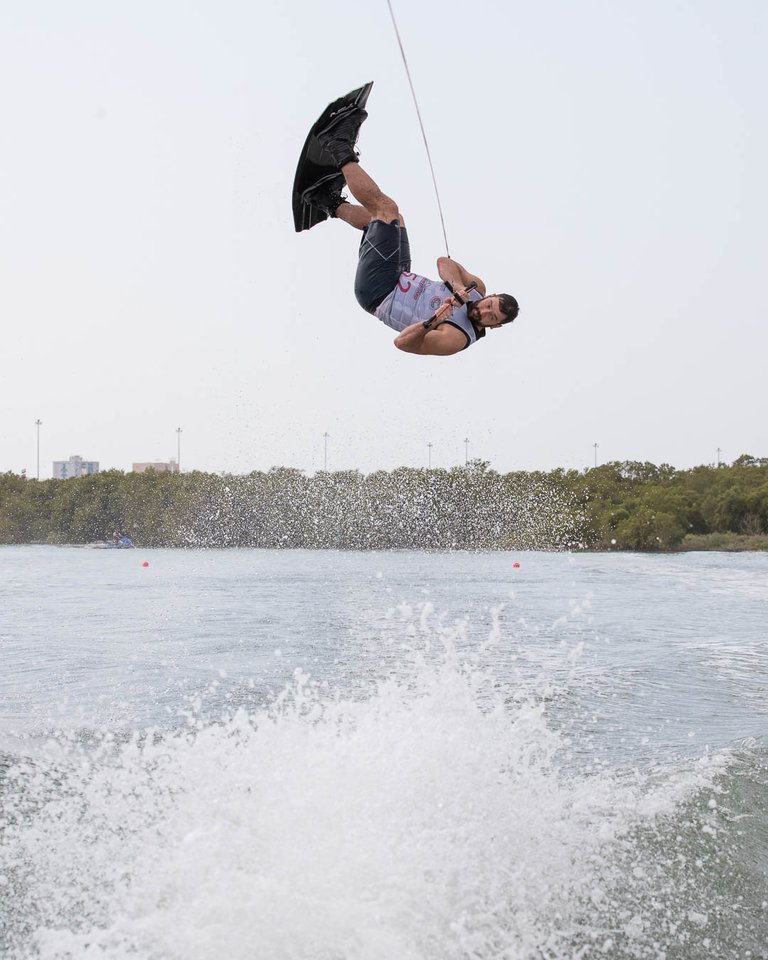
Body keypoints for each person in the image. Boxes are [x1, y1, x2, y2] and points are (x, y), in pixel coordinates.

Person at [304, 105, 519, 356]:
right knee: (395, 220)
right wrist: (456, 287)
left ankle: (336, 142)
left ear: (495, 326)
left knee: (386, 210)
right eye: (489, 305)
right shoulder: (476, 289)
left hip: (380, 292)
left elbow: (403, 344)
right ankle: (324, 200)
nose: (483, 311)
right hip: (399, 275)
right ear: (491, 295)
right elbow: (443, 262)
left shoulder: (457, 338)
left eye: (491, 317)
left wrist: (435, 319)